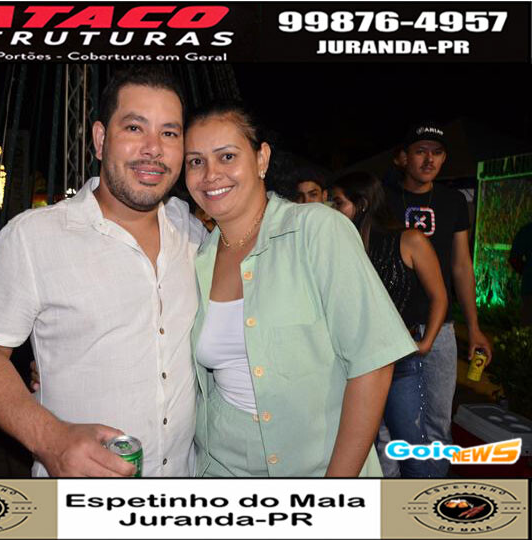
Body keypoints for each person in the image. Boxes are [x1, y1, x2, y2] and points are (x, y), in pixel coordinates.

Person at [0, 67, 207, 477]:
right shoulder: (34, 237)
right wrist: (50, 439)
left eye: (169, 133)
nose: (153, 148)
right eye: (134, 127)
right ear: (100, 139)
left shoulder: (193, 231)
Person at [183, 102, 417, 477]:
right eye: (195, 161)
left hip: (319, 468)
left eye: (227, 156)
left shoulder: (317, 230)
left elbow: (373, 364)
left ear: (261, 159)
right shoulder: (198, 257)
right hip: (221, 469)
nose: (211, 174)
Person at [384, 121, 492, 477]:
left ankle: (430, 497)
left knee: (436, 422)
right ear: (402, 157)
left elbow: (461, 266)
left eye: (437, 152)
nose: (429, 159)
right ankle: (387, 503)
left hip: (440, 326)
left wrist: (473, 328)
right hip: (390, 328)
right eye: (420, 151)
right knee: (383, 426)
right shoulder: (382, 198)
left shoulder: (452, 201)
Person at [332, 171, 447, 477]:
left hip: (399, 361)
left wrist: (426, 342)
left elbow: (439, 296)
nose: (332, 209)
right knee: (359, 452)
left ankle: (419, 505)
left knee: (410, 449)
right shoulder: (342, 245)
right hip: (352, 362)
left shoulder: (409, 240)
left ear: (362, 203)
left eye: (338, 202)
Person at [509, 221, 532, 326]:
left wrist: (527, 271)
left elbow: (514, 258)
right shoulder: (527, 231)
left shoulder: (527, 230)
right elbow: (514, 259)